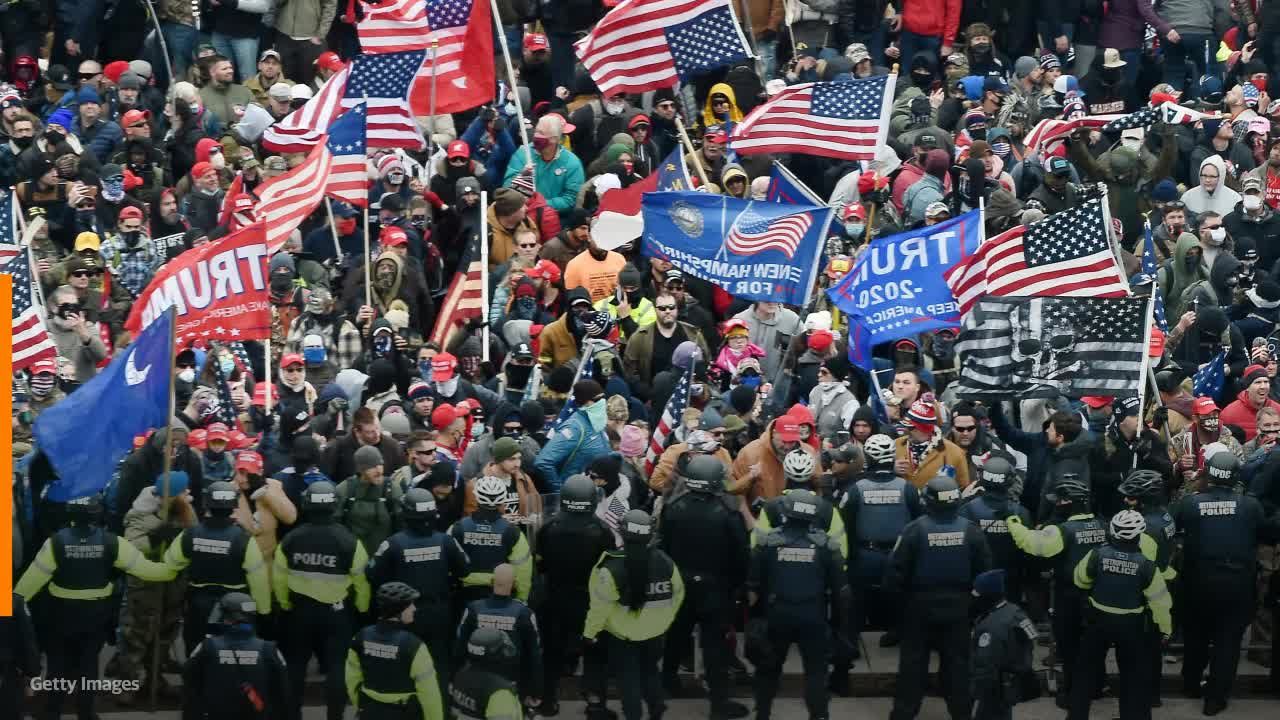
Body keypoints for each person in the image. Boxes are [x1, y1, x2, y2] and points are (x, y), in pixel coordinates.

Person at [14, 494, 174, 720]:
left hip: (61, 617)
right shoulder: (112, 542)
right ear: (98, 512)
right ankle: (86, 713)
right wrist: (172, 560)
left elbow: (26, 587)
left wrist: (9, 607)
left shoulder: (55, 543)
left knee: (57, 666)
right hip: (96, 619)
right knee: (88, 666)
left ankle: (52, 712)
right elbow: (150, 570)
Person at [1174, 447, 1280, 715]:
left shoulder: (1190, 503)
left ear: (1208, 475)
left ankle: (1190, 684)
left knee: (1195, 636)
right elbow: (1268, 533)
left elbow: (1170, 526)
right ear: (1235, 477)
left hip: (1197, 581)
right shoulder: (1250, 506)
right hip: (1236, 583)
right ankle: (1215, 698)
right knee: (1228, 642)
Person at [885, 474, 992, 720]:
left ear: (927, 501)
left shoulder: (914, 530)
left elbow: (894, 576)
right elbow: (986, 574)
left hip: (919, 609)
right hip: (959, 609)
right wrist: (974, 607)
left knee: (912, 668)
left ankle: (903, 715)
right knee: (958, 669)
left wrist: (901, 610)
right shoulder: (971, 531)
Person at [657, 455, 751, 719]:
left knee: (675, 638)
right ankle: (719, 704)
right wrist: (738, 586)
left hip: (680, 587)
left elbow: (663, 549)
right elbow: (741, 554)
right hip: (715, 589)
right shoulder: (728, 512)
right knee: (715, 648)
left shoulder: (673, 507)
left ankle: (667, 684)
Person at [273, 481, 372, 720]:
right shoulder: (349, 541)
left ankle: (292, 715)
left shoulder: (291, 540)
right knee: (338, 668)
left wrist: (286, 605)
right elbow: (362, 582)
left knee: (295, 667)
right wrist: (361, 610)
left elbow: (279, 578)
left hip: (299, 612)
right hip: (337, 615)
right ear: (333, 506)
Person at [1006, 474, 1105, 708]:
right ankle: (1096, 688)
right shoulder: (1103, 524)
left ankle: (1072, 695)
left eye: (1058, 500)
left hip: (1069, 598)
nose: (1055, 504)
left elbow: (1034, 544)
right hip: (1098, 597)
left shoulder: (1064, 530)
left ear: (1067, 503)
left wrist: (1013, 523)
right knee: (1093, 647)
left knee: (1069, 649)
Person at [749, 489, 847, 720]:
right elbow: (841, 591)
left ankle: (762, 714)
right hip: (813, 615)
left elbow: (753, 588)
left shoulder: (766, 543)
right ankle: (819, 715)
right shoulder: (826, 546)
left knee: (768, 670)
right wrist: (838, 625)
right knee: (816, 672)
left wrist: (756, 619)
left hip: (776, 614)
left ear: (785, 512)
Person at [833, 433, 922, 685]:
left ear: (868, 459)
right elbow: (918, 523)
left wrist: (846, 559)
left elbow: (845, 527)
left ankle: (850, 644)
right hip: (898, 554)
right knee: (901, 599)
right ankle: (898, 634)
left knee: (856, 602)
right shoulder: (908, 488)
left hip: (865, 554)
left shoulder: (855, 490)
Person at [364, 488, 470, 701]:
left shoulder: (393, 543)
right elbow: (465, 569)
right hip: (440, 613)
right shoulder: (445, 541)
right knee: (439, 665)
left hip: (405, 614)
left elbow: (371, 573)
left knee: (407, 664)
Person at [1069, 510, 1173, 720]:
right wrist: (1165, 630)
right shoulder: (1147, 567)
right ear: (1140, 534)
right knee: (1134, 678)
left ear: (1113, 530)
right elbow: (1161, 603)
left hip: (1098, 622)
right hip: (1132, 626)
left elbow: (1080, 580)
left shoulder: (1096, 555)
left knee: (1084, 675)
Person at [582, 510, 684, 720]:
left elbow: (599, 608)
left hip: (623, 638)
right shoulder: (665, 562)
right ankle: (657, 710)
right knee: (650, 672)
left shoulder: (610, 568)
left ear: (622, 532)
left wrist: (589, 634)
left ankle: (633, 715)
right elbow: (678, 594)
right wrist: (664, 622)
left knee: (628, 682)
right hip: (656, 633)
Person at [533, 475, 616, 715]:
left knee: (551, 653)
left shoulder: (549, 528)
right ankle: (595, 702)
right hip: (590, 602)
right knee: (595, 653)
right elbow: (608, 568)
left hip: (555, 598)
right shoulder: (601, 531)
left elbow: (541, 564)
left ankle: (548, 700)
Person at [165, 481, 272, 658]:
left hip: (198, 604)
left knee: (196, 649)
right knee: (232, 652)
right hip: (235, 608)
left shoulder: (190, 534)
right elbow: (258, 580)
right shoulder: (244, 540)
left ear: (207, 503)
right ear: (233, 506)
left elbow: (169, 565)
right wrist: (263, 611)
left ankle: (194, 682)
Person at [182, 591, 291, 720]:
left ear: (227, 615)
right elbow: (283, 691)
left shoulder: (208, 646)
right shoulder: (269, 649)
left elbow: (188, 678)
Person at [344, 581, 445, 720]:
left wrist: (361, 706)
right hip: (404, 713)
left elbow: (352, 679)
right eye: (410, 605)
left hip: (369, 711)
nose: (414, 608)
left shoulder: (360, 637)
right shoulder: (414, 645)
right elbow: (429, 693)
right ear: (399, 610)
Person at [455, 564, 543, 705]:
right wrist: (535, 690)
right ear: (514, 584)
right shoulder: (524, 614)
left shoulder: (473, 609)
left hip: (475, 684)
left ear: (491, 582)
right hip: (511, 685)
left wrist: (456, 680)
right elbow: (534, 655)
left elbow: (459, 647)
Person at [958, 457, 1032, 604]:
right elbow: (1029, 554)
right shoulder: (1021, 512)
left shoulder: (967, 510)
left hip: (976, 583)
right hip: (1010, 584)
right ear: (1010, 481)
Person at [449, 476, 533, 605]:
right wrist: (522, 599)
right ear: (503, 499)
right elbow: (523, 568)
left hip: (463, 594)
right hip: (502, 594)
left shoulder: (457, 528)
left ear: (476, 497)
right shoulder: (512, 532)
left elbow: (447, 562)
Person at [969, 569, 1037, 720]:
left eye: (977, 594)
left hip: (994, 688)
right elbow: (1031, 639)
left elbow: (985, 663)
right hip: (1013, 681)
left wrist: (975, 691)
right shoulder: (1016, 611)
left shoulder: (990, 626)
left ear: (988, 596)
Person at [449, 627, 526, 720]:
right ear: (495, 655)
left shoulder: (460, 675)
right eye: (503, 650)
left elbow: (455, 712)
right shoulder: (500, 691)